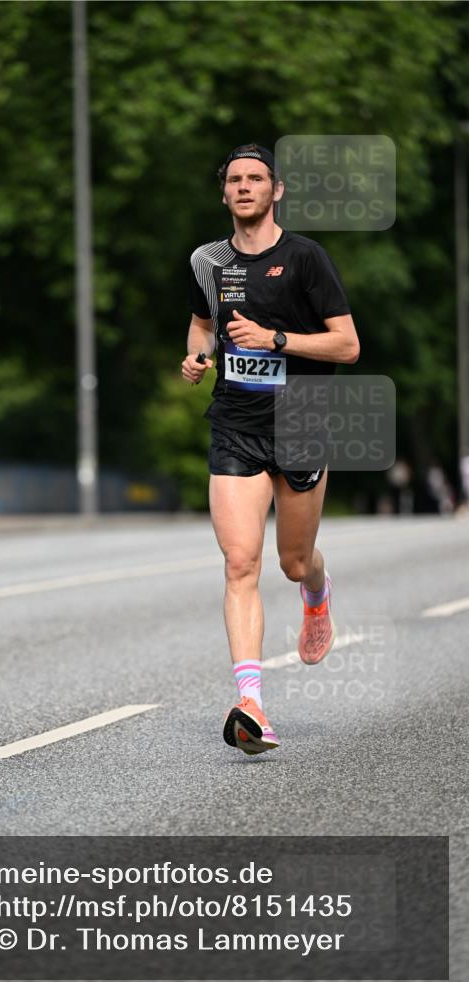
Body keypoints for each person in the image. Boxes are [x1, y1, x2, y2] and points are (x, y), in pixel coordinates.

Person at [182, 143, 360, 757]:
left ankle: (316, 593)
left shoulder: (306, 258)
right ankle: (251, 702)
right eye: (235, 179)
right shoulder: (209, 260)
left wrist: (275, 339)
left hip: (302, 421)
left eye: (257, 178)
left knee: (292, 560)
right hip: (235, 422)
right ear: (224, 192)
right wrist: (198, 356)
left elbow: (347, 347)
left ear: (275, 190)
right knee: (239, 563)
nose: (245, 187)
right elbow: (205, 321)